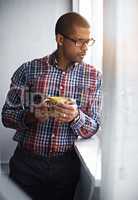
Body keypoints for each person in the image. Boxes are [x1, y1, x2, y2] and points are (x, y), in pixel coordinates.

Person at [1, 12, 102, 200]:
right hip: (26, 164)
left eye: (89, 41)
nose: (85, 48)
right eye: (79, 41)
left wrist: (76, 117)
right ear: (60, 39)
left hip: (66, 166)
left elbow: (94, 126)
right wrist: (31, 116)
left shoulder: (93, 77)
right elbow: (6, 116)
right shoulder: (28, 70)